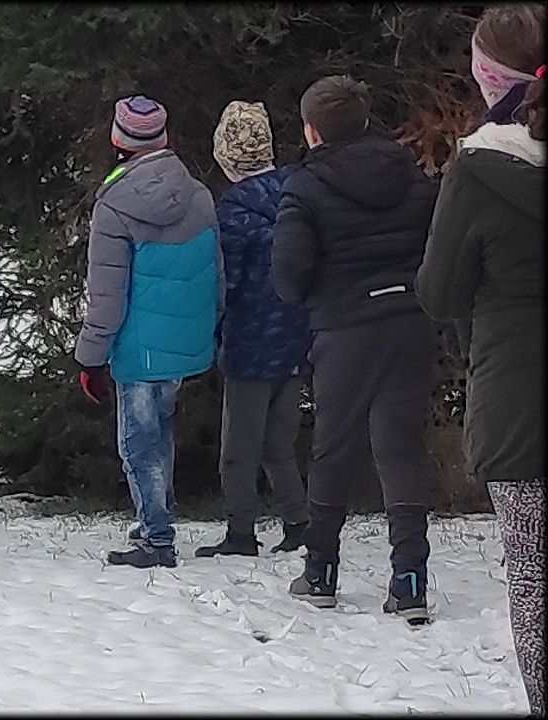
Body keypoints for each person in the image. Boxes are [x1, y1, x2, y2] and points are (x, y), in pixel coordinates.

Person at [271, 76, 439, 624]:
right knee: (401, 449)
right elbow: (435, 246)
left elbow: (289, 277)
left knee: (334, 447)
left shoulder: (305, 188)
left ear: (312, 130)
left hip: (344, 328)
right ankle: (410, 581)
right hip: (410, 320)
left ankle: (320, 572)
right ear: (365, 121)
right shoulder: (411, 175)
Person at [416, 5, 544, 713]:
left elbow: (439, 293)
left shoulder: (478, 170)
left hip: (521, 407)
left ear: (488, 77)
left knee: (535, 583)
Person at [74, 94, 222, 569]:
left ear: (117, 139)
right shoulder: (199, 195)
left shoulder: (113, 207)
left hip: (138, 346)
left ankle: (157, 538)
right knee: (160, 432)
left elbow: (107, 295)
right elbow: (215, 275)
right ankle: (154, 517)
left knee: (138, 443)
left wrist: (90, 356)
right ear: (164, 138)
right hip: (184, 342)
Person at [194, 101, 312, 558]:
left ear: (225, 155)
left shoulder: (233, 212)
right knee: (279, 442)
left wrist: (212, 331)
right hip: (297, 336)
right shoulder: (298, 193)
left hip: (250, 342)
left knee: (239, 447)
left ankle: (241, 531)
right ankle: (298, 521)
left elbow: (227, 284)